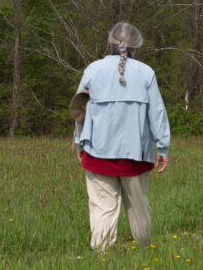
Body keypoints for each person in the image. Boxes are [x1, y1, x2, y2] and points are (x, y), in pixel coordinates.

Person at [72, 22, 171, 251]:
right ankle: (145, 256)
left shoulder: (92, 70)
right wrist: (163, 148)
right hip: (136, 156)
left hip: (97, 152)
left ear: (110, 43)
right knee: (139, 209)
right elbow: (157, 113)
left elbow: (80, 110)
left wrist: (80, 142)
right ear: (136, 47)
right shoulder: (146, 73)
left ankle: (102, 259)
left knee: (102, 209)